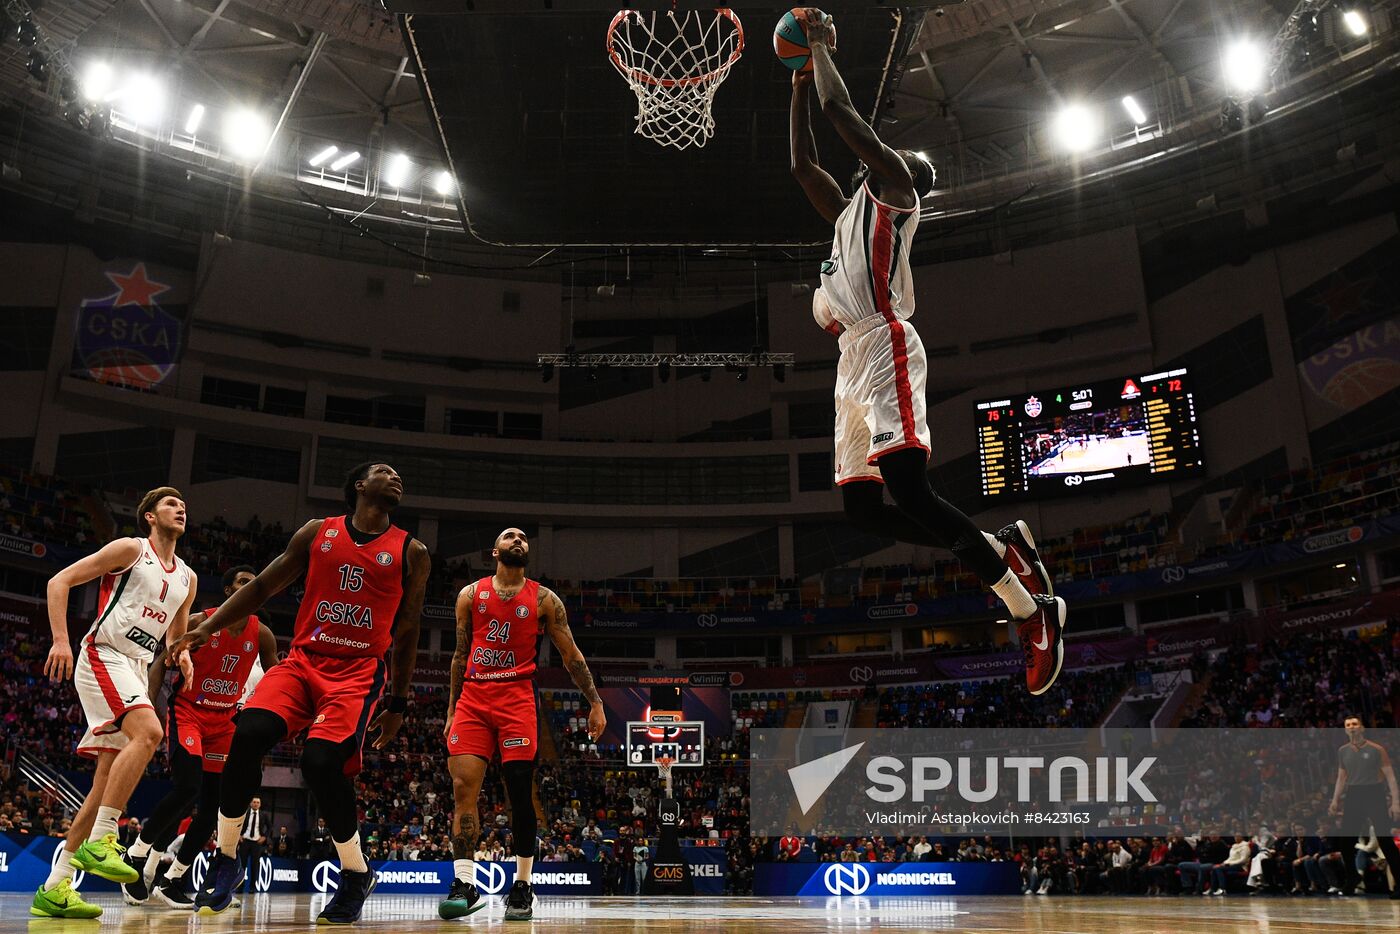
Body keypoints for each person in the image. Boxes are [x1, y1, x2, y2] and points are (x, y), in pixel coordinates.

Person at [787, 8, 1067, 695]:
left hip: (884, 344)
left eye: (893, 156)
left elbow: (842, 111)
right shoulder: (847, 216)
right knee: (861, 509)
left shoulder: (896, 198)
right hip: (849, 367)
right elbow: (801, 163)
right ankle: (1003, 550)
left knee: (912, 489)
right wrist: (794, 81)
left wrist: (820, 48)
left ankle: (1030, 610)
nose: (887, 155)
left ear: (906, 177)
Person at [170, 462, 429, 923]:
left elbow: (407, 632)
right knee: (247, 732)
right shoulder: (317, 532)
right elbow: (265, 586)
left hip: (356, 672)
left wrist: (399, 702)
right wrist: (206, 627)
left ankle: (355, 872)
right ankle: (227, 860)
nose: (396, 478)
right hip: (303, 661)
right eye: (385, 472)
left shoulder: (412, 551)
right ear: (359, 485)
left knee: (320, 763)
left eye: (398, 474)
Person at [35, 487, 198, 919]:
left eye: (183, 505)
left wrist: (183, 655)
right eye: (170, 504)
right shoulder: (130, 549)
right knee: (149, 733)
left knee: (104, 781)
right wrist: (60, 640)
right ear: (149, 516)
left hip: (138, 669)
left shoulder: (187, 577)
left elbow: (175, 636)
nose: (180, 509)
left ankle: (54, 888)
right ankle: (104, 837)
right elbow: (59, 581)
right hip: (104, 654)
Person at [437, 528, 606, 922]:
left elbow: (571, 655)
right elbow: (460, 656)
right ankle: (464, 884)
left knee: (519, 795)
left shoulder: (545, 600)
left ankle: (523, 886)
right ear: (494, 551)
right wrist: (450, 710)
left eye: (524, 538)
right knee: (464, 789)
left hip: (516, 700)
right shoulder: (469, 595)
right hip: (473, 701)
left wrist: (595, 702)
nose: (518, 540)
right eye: (510, 536)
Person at [123, 565, 279, 908]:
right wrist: (151, 704)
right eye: (241, 581)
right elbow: (162, 660)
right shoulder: (200, 621)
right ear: (227, 590)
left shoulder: (263, 634)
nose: (249, 586)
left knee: (213, 809)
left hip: (225, 721)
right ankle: (135, 855)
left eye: (254, 583)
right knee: (187, 787)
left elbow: (276, 676)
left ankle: (174, 878)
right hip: (189, 711)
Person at [1328, 714, 1400, 899]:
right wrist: (1335, 800)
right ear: (1345, 729)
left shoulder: (1377, 749)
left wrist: (1395, 801)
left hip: (1374, 793)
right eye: (1348, 725)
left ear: (1361, 728)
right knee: (1345, 841)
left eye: (1355, 724)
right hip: (1353, 794)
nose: (1352, 727)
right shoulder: (1342, 751)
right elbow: (1341, 777)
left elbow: (1391, 777)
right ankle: (1352, 877)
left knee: (1385, 840)